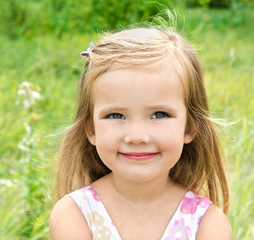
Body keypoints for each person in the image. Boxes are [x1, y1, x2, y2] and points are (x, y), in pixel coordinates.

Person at [49, 25, 232, 239]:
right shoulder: (74, 214)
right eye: (116, 115)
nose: (137, 137)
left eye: (159, 114)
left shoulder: (206, 223)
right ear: (91, 129)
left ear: (190, 127)